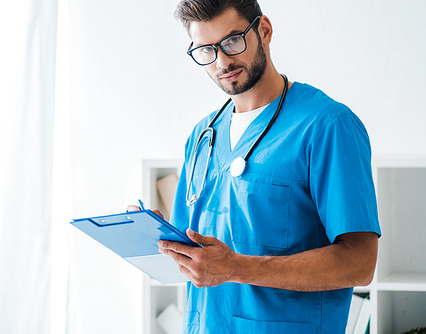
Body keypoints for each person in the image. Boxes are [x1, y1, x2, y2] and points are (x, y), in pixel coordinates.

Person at [147, 0, 381, 333]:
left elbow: (360, 263)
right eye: (206, 51)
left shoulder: (327, 125)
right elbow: (190, 256)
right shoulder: (203, 136)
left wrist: (237, 268)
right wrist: (154, 237)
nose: (222, 62)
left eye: (231, 41)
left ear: (264, 30)